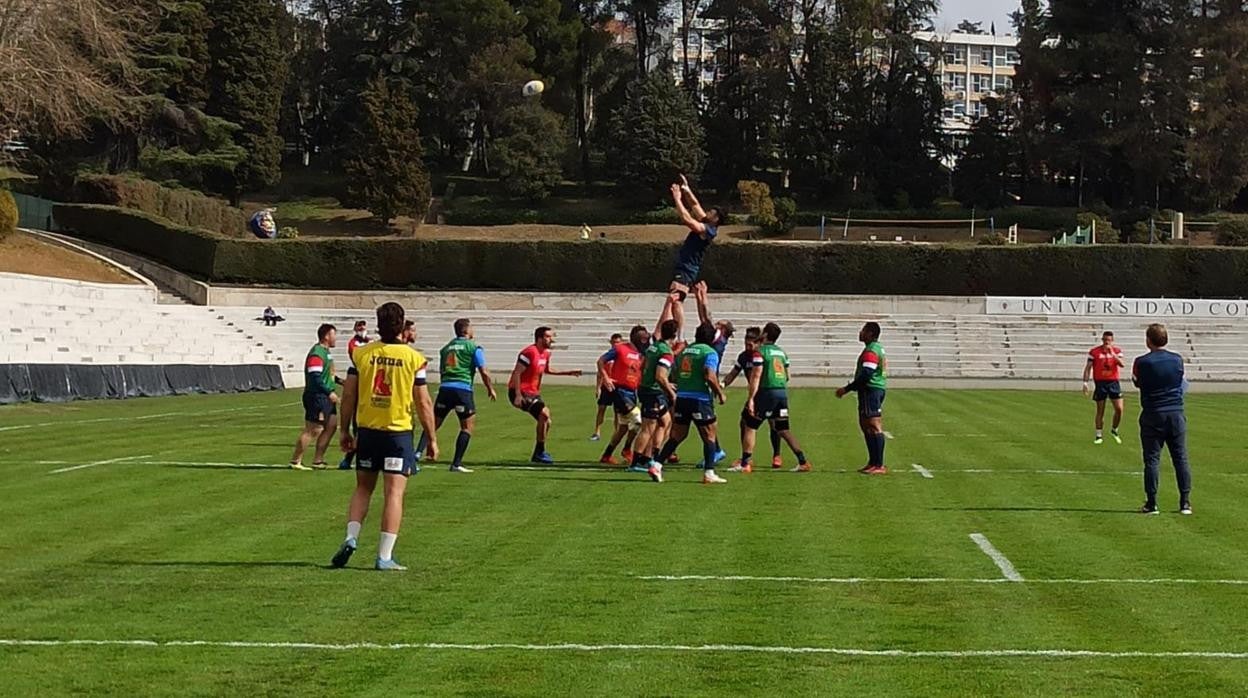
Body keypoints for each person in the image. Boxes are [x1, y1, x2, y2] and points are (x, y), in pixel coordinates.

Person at [330, 302, 438, 571]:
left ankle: (351, 538)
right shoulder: (414, 358)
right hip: (398, 433)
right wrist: (432, 438)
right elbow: (423, 402)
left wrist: (345, 430)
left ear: (378, 325)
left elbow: (349, 397)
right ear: (402, 325)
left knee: (363, 488)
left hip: (367, 431)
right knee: (394, 494)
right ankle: (384, 556)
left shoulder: (362, 354)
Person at [417, 318, 497, 473]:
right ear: (467, 330)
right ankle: (456, 464)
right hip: (463, 390)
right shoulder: (474, 347)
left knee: (432, 425)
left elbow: (442, 370)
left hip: (445, 389)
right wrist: (490, 388)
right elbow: (483, 371)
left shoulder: (446, 348)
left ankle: (416, 455)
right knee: (467, 427)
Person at [654, 323, 728, 484]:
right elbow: (709, 375)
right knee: (709, 435)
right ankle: (709, 472)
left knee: (677, 435)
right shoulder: (710, 352)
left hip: (682, 398)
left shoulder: (684, 352)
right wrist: (719, 393)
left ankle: (657, 464)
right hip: (700, 399)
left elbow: (675, 372)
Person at [1131, 323, 1192, 515]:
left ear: (1148, 340)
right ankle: (1185, 502)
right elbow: (1182, 382)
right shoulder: (1177, 360)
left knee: (1152, 460)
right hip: (1175, 413)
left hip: (1153, 413)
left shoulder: (1142, 362)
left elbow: (1137, 383)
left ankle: (1152, 503)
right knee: (1181, 458)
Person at [740, 322, 811, 473]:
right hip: (782, 393)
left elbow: (756, 376)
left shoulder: (760, 352)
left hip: (766, 393)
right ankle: (803, 461)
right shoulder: (781, 353)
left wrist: (752, 398)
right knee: (783, 429)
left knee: (750, 425)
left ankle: (745, 464)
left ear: (765, 334)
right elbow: (787, 376)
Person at [508, 326, 583, 464]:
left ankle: (538, 453)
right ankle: (540, 452)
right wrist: (518, 395)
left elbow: (547, 370)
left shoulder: (546, 353)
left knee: (547, 421)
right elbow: (517, 373)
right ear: (540, 338)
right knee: (544, 413)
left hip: (533, 392)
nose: (551, 340)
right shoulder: (529, 352)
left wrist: (568, 372)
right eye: (548, 337)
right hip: (520, 391)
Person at [667, 175, 727, 337]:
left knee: (676, 299)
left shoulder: (708, 230)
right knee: (674, 299)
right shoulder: (708, 223)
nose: (707, 212)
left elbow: (687, 219)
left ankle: (679, 336)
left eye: (711, 213)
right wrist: (687, 189)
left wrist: (677, 199)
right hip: (686, 267)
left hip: (687, 268)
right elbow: (694, 204)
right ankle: (677, 334)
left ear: (716, 219)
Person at [723, 326, 785, 469]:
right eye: (746, 343)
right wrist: (722, 384)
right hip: (755, 395)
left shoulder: (761, 355)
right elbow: (733, 373)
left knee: (771, 424)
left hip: (764, 394)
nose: (748, 346)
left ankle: (775, 455)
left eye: (751, 343)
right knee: (744, 423)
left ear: (758, 342)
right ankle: (747, 458)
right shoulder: (743, 357)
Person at [836, 322, 888, 475]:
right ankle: (873, 462)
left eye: (864, 330)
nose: (860, 333)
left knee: (873, 425)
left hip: (870, 390)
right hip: (873, 390)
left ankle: (878, 464)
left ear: (870, 334)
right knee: (867, 426)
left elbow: (866, 373)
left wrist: (846, 389)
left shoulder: (871, 350)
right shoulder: (876, 348)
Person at [630, 319, 679, 475]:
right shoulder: (666, 352)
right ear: (675, 335)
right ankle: (636, 461)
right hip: (653, 392)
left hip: (648, 389)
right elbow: (660, 376)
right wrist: (671, 393)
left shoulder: (653, 347)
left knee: (665, 421)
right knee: (648, 427)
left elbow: (644, 366)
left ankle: (651, 456)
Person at [596, 325, 648, 465]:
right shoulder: (620, 349)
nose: (644, 340)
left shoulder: (641, 354)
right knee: (638, 420)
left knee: (623, 427)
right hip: (619, 391)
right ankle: (627, 449)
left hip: (632, 392)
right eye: (642, 337)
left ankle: (606, 455)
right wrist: (606, 378)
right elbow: (601, 361)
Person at [290, 323, 339, 470]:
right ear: (326, 336)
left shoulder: (326, 352)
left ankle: (318, 460)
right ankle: (295, 461)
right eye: (334, 334)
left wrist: (343, 382)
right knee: (314, 429)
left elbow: (326, 375)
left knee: (331, 425)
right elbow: (315, 376)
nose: (335, 338)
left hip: (324, 396)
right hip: (317, 397)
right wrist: (328, 392)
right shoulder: (317, 353)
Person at [1083, 330, 1126, 444]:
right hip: (1101, 382)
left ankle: (1114, 429)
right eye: (1105, 340)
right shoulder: (1094, 352)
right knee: (1100, 410)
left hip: (1113, 382)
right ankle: (1098, 435)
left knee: (1119, 409)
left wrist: (1112, 354)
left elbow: (1122, 364)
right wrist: (1085, 383)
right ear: (1102, 340)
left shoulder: (1116, 351)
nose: (1107, 342)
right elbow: (1088, 367)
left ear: (1112, 341)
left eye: (1109, 340)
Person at [591, 333, 625, 441]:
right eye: (614, 342)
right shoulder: (607, 356)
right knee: (601, 409)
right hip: (606, 387)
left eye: (618, 342)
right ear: (610, 343)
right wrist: (598, 388)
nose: (616, 344)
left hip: (617, 387)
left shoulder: (622, 357)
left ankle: (616, 433)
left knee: (617, 412)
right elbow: (600, 373)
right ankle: (597, 432)